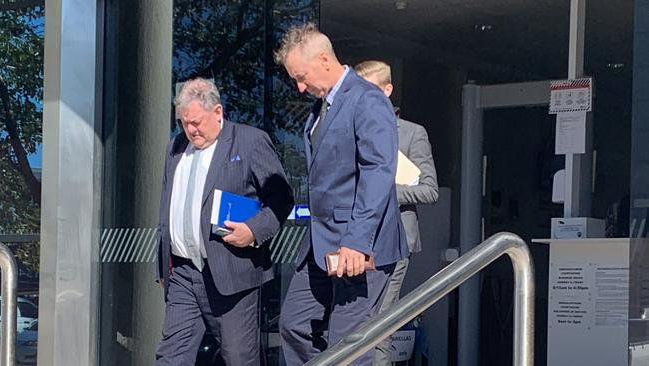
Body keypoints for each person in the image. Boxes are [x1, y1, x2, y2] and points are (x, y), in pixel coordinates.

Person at [274, 23, 408, 365]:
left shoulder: (367, 99)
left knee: (348, 343)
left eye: (301, 77)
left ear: (323, 59)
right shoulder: (321, 109)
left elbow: (378, 171)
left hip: (358, 248)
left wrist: (357, 241)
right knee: (293, 324)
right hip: (321, 245)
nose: (300, 87)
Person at [155, 77, 294, 366]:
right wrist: (162, 265)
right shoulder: (175, 149)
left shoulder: (249, 140)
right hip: (183, 272)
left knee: (239, 358)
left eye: (197, 122)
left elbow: (281, 198)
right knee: (170, 357)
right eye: (184, 122)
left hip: (233, 270)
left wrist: (254, 231)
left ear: (218, 112)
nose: (190, 130)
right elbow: (166, 208)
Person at [355, 60, 439, 365]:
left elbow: (430, 190)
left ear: (387, 91)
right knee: (354, 322)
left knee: (379, 324)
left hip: (395, 240)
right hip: (355, 239)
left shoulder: (412, 134)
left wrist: (384, 190)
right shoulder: (353, 130)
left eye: (370, 91)